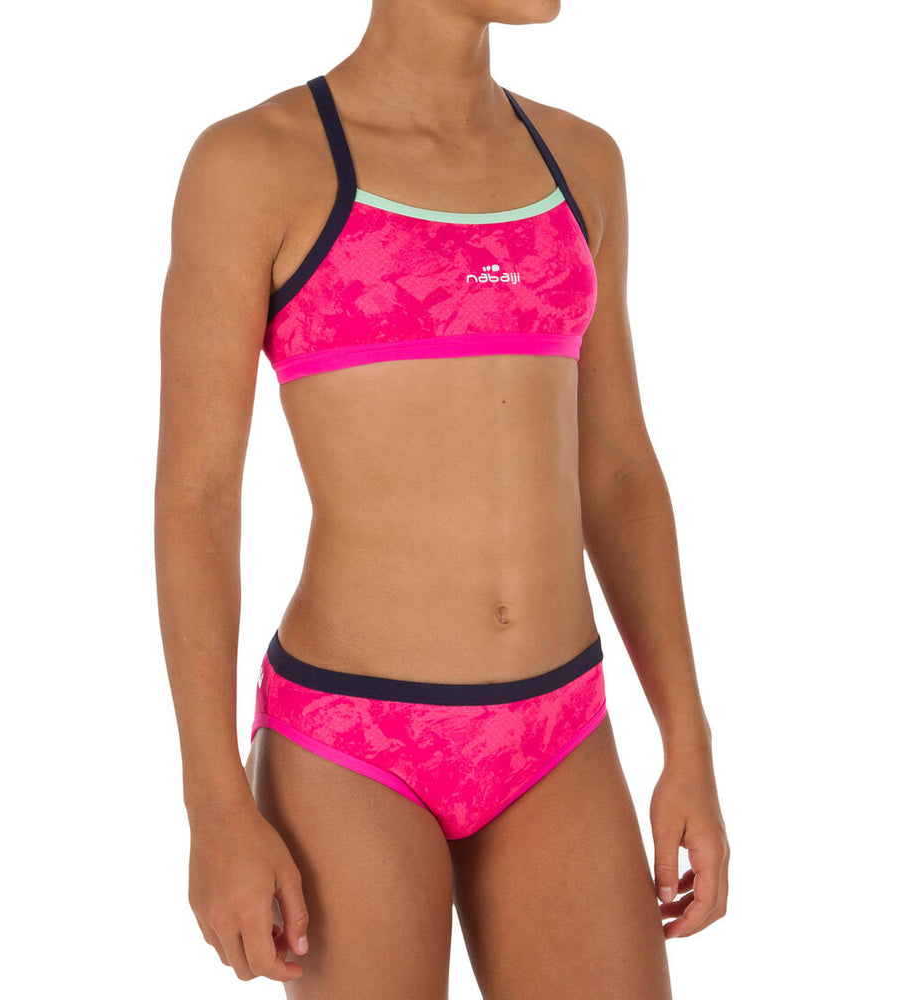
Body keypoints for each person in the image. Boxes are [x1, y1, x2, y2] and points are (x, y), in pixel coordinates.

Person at [155, 1, 730, 996]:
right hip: (350, 740)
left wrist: (689, 742)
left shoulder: (581, 161)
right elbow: (198, 494)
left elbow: (618, 468)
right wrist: (213, 804)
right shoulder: (255, 164)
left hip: (559, 728)